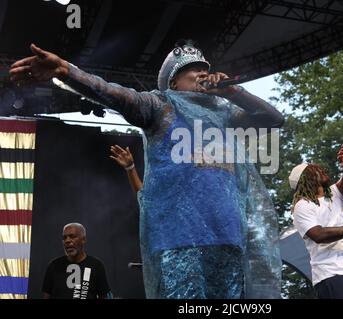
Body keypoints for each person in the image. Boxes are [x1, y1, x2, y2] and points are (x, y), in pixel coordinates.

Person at [10, 40, 284, 298]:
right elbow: (112, 93)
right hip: (179, 243)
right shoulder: (160, 106)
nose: (202, 74)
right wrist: (66, 71)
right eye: (192, 70)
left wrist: (233, 91)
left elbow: (274, 119)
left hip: (228, 240)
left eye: (205, 69)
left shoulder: (225, 115)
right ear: (173, 81)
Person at [289, 144, 343, 299]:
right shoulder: (302, 206)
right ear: (306, 178)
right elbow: (319, 235)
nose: (321, 170)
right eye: (315, 170)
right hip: (329, 273)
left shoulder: (333, 195)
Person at [42, 223, 112, 299]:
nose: (67, 240)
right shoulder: (54, 265)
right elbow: (46, 296)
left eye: (72, 236)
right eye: (64, 238)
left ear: (83, 239)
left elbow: (104, 296)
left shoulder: (96, 265)